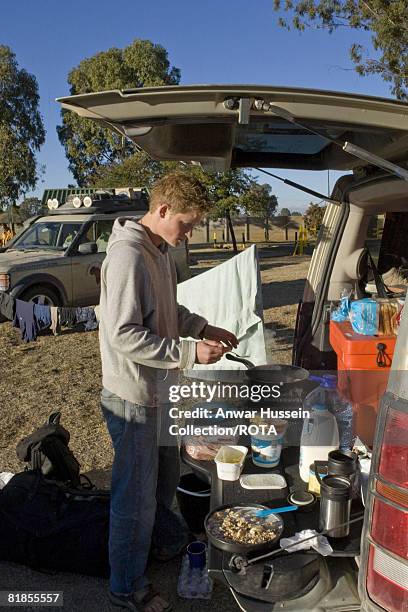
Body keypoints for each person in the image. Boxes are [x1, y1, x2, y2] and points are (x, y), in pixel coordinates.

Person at [99, 172, 238, 612]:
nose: (190, 233)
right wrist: (190, 352)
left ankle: (159, 547)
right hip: (134, 398)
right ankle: (125, 587)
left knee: (161, 486)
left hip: (159, 392)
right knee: (134, 501)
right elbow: (122, 334)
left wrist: (201, 326)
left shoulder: (158, 251)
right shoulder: (127, 256)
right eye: (187, 223)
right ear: (161, 211)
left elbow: (167, 308)